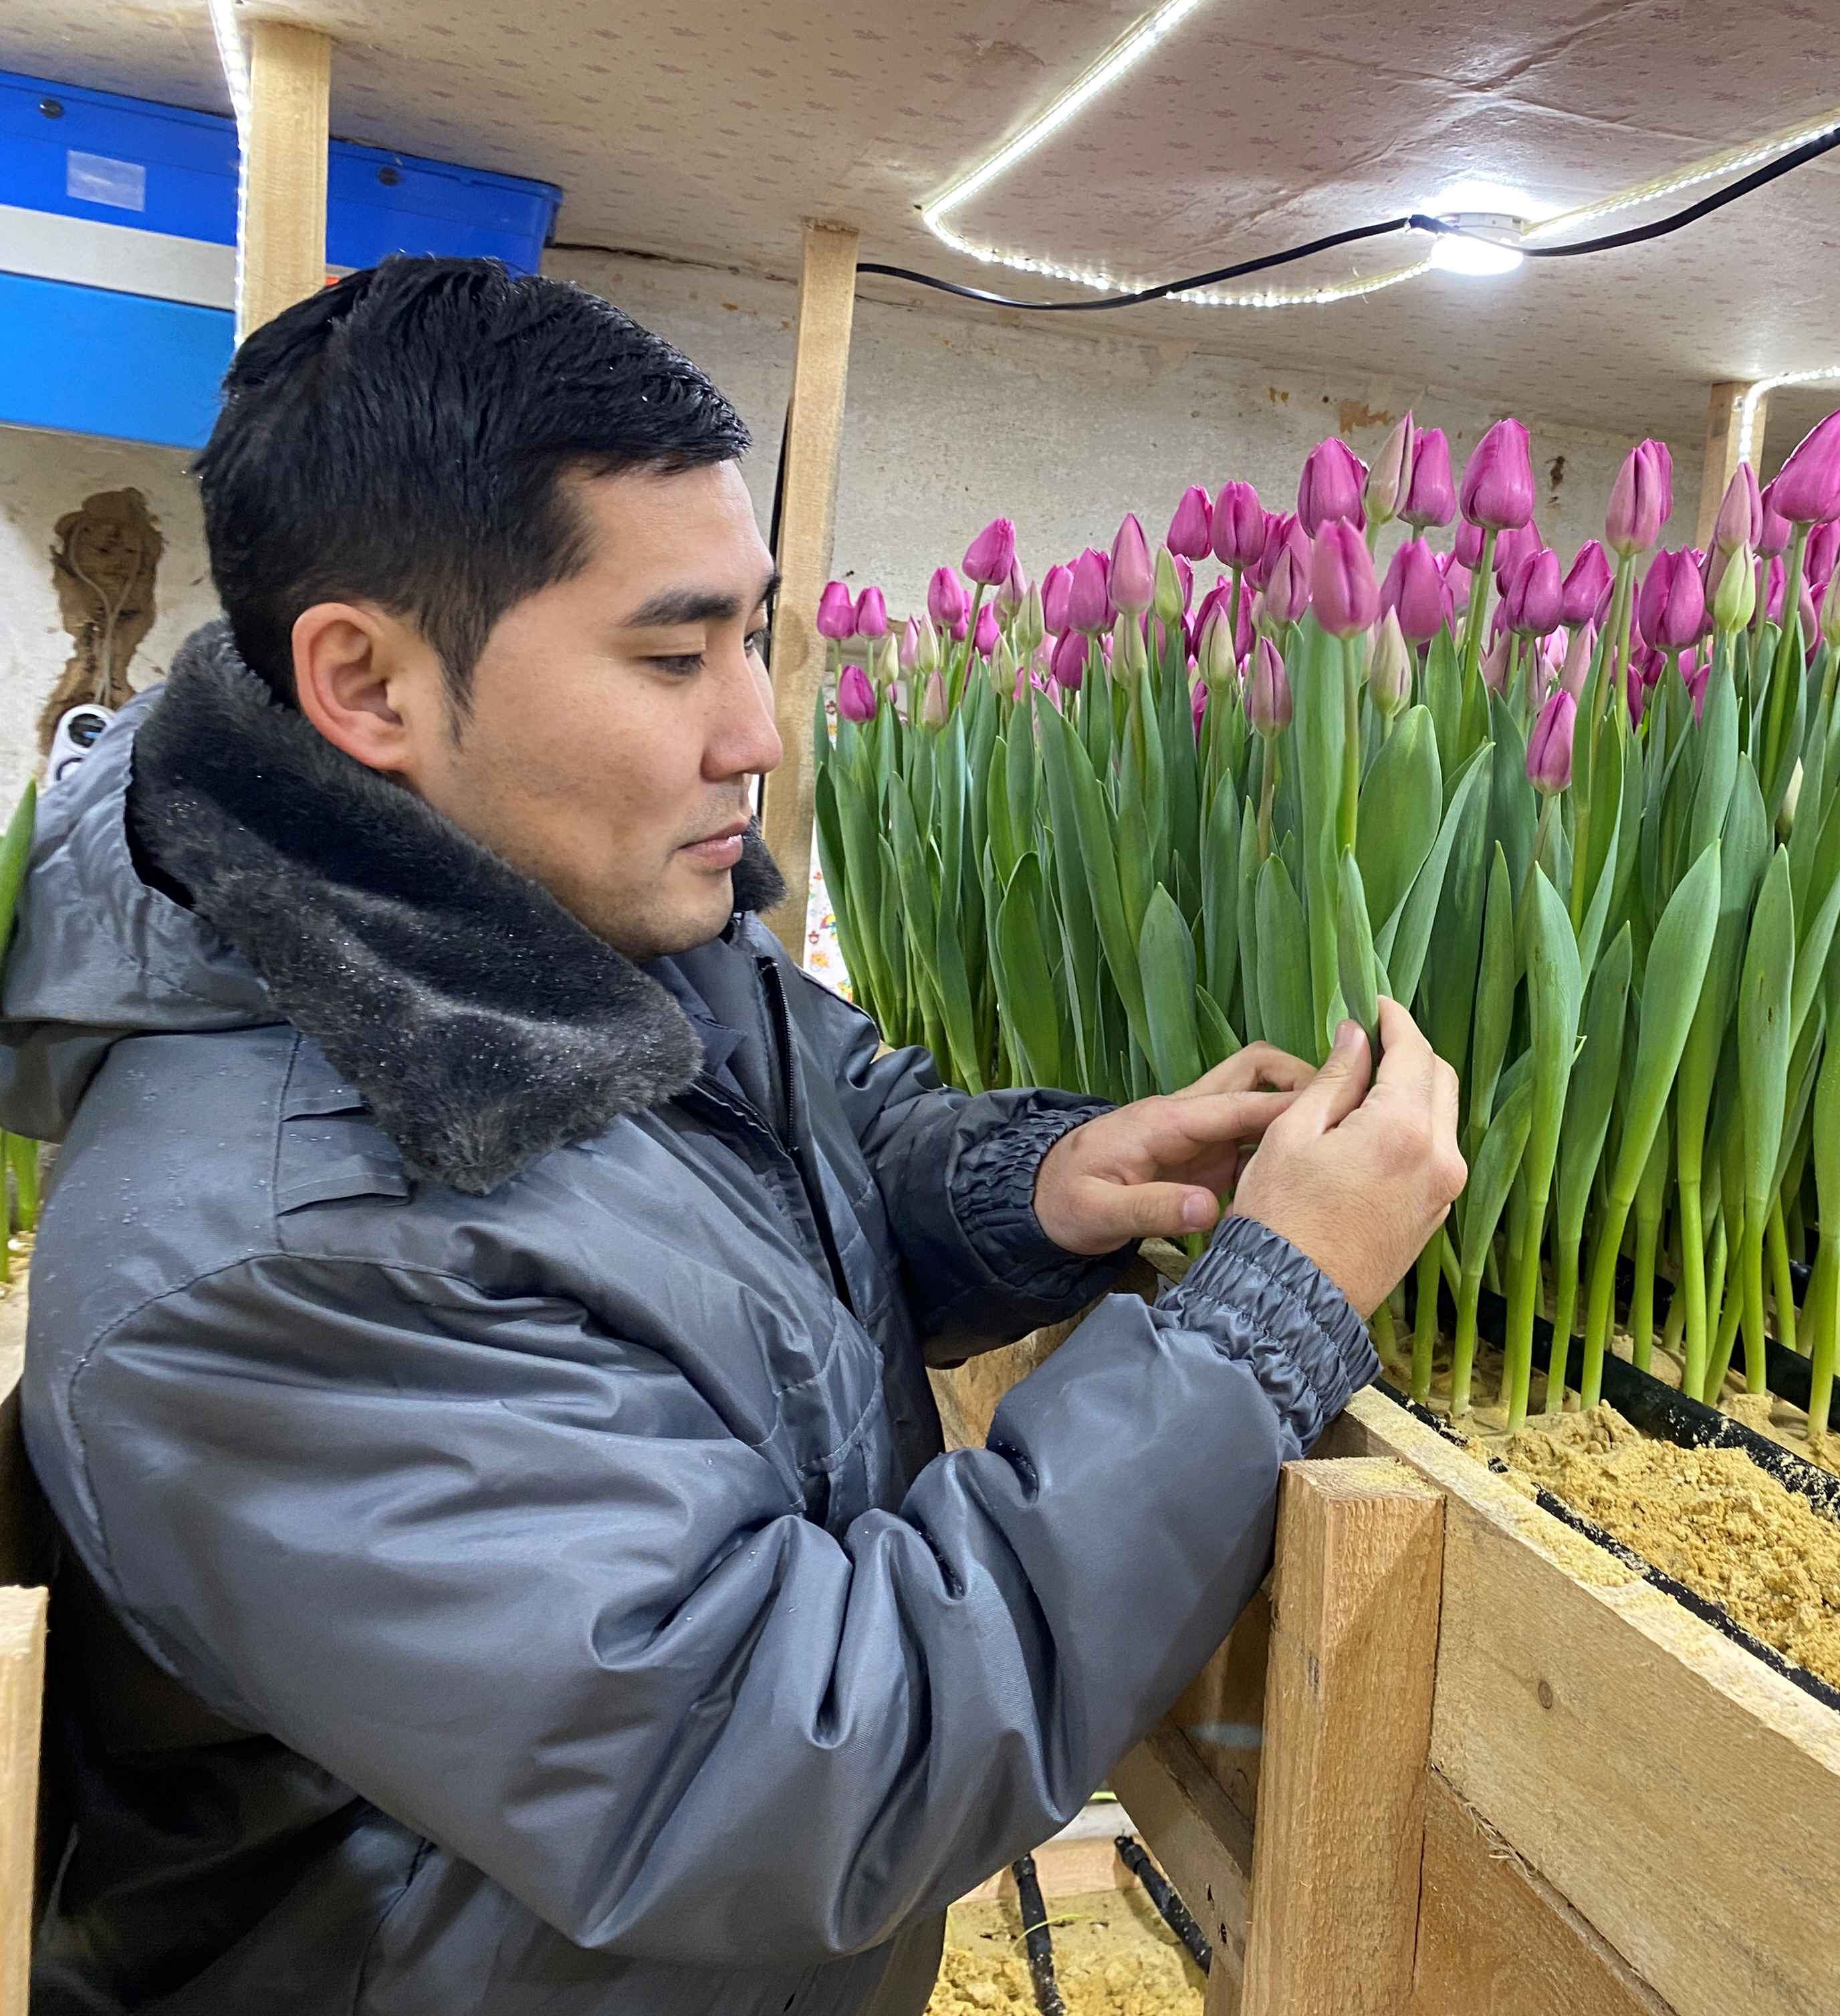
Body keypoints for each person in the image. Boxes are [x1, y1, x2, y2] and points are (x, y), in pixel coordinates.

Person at [2, 256, 1466, 2015]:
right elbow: (807, 1765)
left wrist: (1030, 1185)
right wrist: (1258, 1327)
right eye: (673, 654)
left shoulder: (540, 910)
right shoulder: (264, 1257)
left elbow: (804, 1125)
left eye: (751, 636)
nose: (760, 731)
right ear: (369, 688)